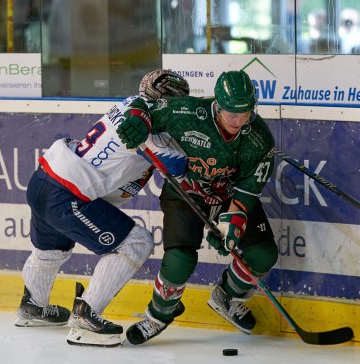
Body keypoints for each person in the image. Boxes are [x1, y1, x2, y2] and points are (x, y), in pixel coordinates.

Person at [15, 69, 190, 347]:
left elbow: (140, 114)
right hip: (68, 193)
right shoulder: (149, 125)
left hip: (44, 180)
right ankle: (86, 316)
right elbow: (176, 165)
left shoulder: (129, 104)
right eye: (178, 103)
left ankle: (33, 306)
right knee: (137, 243)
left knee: (51, 252)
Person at [117, 70, 278, 345]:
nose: (239, 122)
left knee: (263, 255)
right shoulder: (188, 112)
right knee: (180, 259)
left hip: (227, 193)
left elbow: (250, 186)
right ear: (217, 106)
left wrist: (233, 220)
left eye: (246, 113)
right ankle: (158, 316)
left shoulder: (259, 137)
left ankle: (227, 296)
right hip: (185, 190)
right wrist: (137, 120)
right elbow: (144, 105)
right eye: (232, 115)